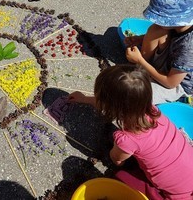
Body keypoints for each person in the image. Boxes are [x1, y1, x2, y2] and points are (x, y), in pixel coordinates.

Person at [69, 65, 193, 199]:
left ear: (113, 109)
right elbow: (109, 104)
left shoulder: (127, 139)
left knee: (121, 176)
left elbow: (116, 159)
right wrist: (85, 99)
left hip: (179, 197)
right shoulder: (154, 111)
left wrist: (117, 152)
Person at [125, 0, 193, 104]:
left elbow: (170, 83)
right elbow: (168, 34)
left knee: (131, 97)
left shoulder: (188, 47)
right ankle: (140, 69)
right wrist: (141, 39)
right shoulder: (180, 25)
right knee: (156, 30)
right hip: (172, 60)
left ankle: (141, 67)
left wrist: (140, 60)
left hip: (178, 84)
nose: (156, 21)